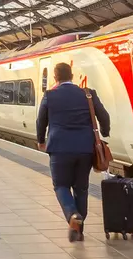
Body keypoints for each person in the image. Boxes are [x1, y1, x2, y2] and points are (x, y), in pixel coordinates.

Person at [36, 62, 110, 242]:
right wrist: (105, 133)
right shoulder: (88, 94)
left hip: (59, 148)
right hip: (85, 149)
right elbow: (104, 116)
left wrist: (41, 141)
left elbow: (41, 121)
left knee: (61, 186)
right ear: (72, 76)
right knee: (81, 188)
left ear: (55, 78)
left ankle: (72, 215)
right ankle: (79, 230)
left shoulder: (50, 95)